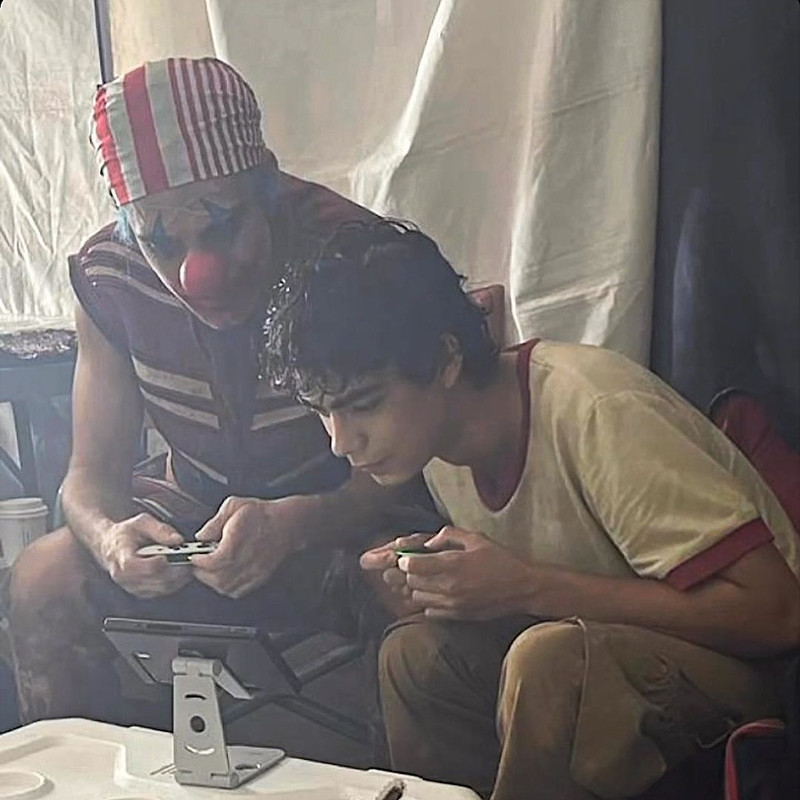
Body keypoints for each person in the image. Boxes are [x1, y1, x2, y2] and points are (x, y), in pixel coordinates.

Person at [261, 219, 800, 800]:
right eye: (323, 411)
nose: (341, 441)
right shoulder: (435, 443)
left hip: (756, 683)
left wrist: (526, 587)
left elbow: (777, 615)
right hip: (623, 672)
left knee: (551, 662)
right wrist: (448, 587)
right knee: (415, 656)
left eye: (364, 404)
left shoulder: (596, 409)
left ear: (445, 360)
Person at [5, 58, 424, 726]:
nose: (195, 273)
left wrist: (298, 522)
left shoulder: (351, 253)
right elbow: (88, 478)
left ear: (268, 190)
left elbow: (413, 458)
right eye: (160, 242)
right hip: (192, 512)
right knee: (41, 578)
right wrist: (111, 539)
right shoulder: (109, 277)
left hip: (346, 508)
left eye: (222, 226)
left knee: (413, 594)